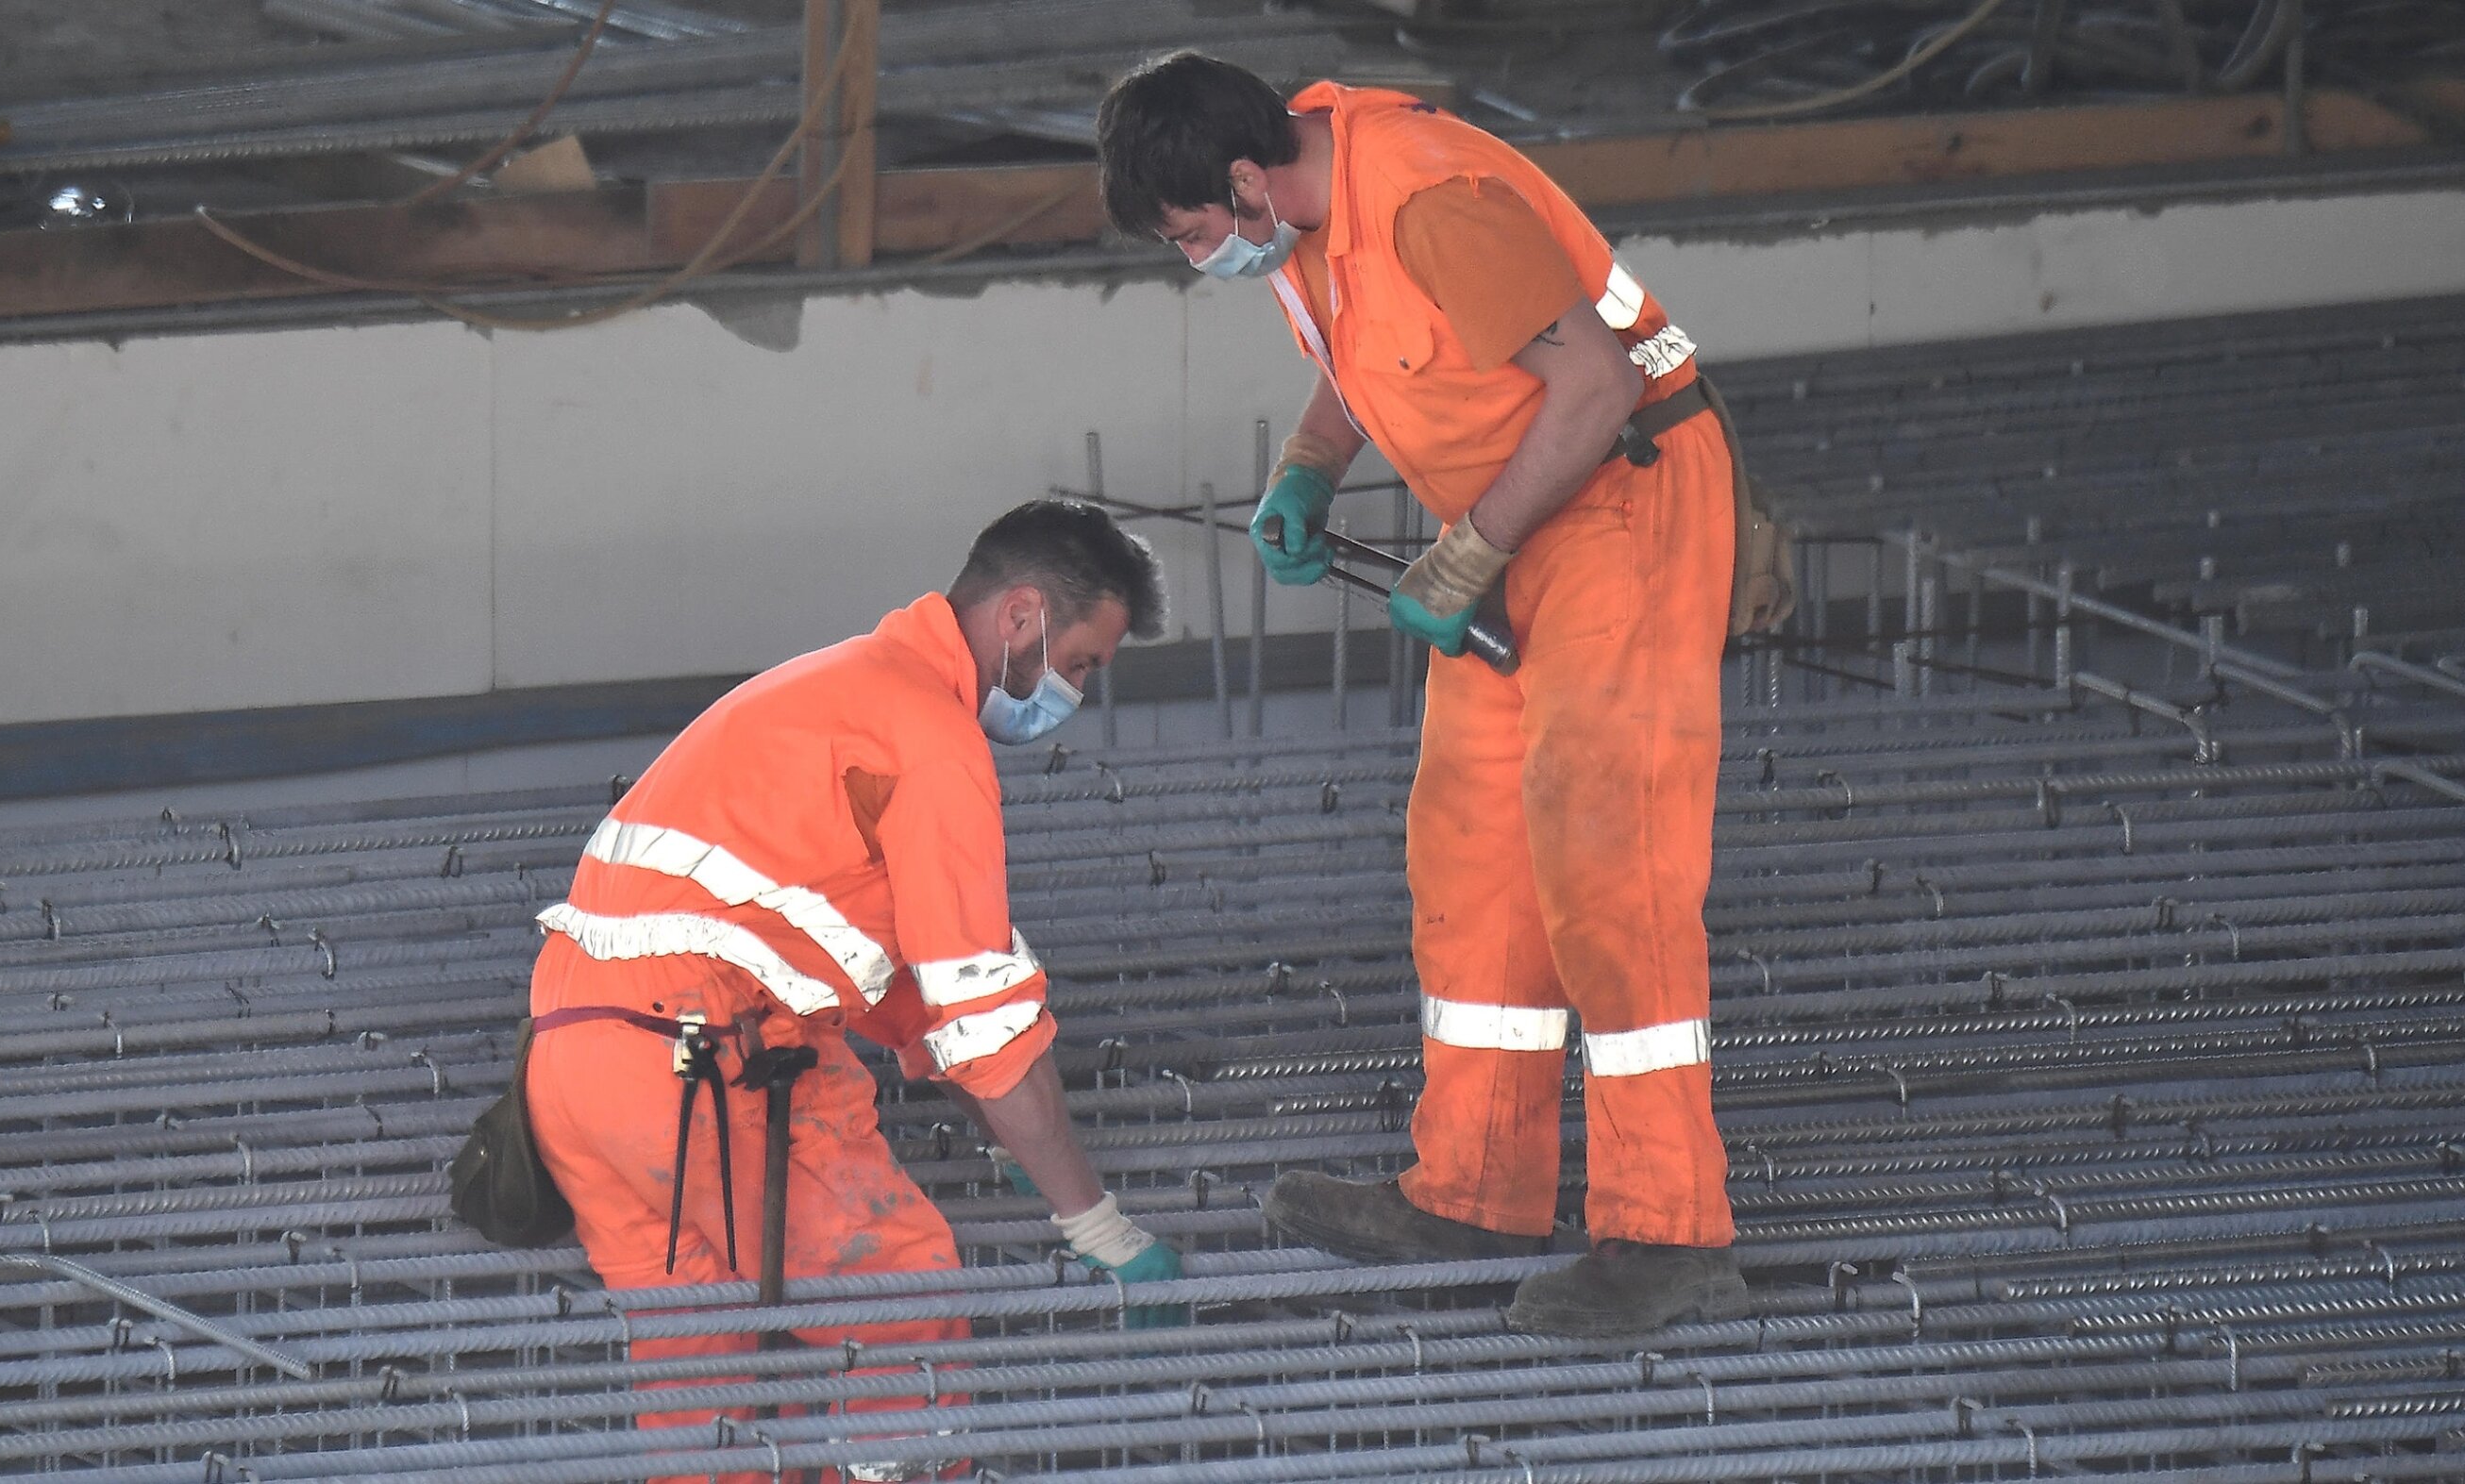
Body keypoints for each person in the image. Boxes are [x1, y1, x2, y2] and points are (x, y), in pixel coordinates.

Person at [1096, 53, 1743, 1338]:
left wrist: (1468, 550)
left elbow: (1598, 387)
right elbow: (1367, 353)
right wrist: (1307, 469)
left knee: (1610, 860)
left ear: (1244, 182)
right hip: (1517, 524)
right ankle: (1477, 1187)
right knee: (1475, 852)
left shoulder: (1432, 199)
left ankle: (1671, 1235)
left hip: (1624, 502)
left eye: (1192, 237)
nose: (1196, 260)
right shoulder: (1305, 215)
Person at [524, 499, 1183, 1477]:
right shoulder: (930, 742)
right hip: (701, 1061)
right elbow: (985, 1025)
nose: (1075, 692)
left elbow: (895, 981)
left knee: (701, 1368)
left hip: (574, 1069)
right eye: (1080, 662)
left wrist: (1002, 1123)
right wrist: (1095, 1222)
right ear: (1020, 616)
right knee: (903, 1298)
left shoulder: (839, 688)